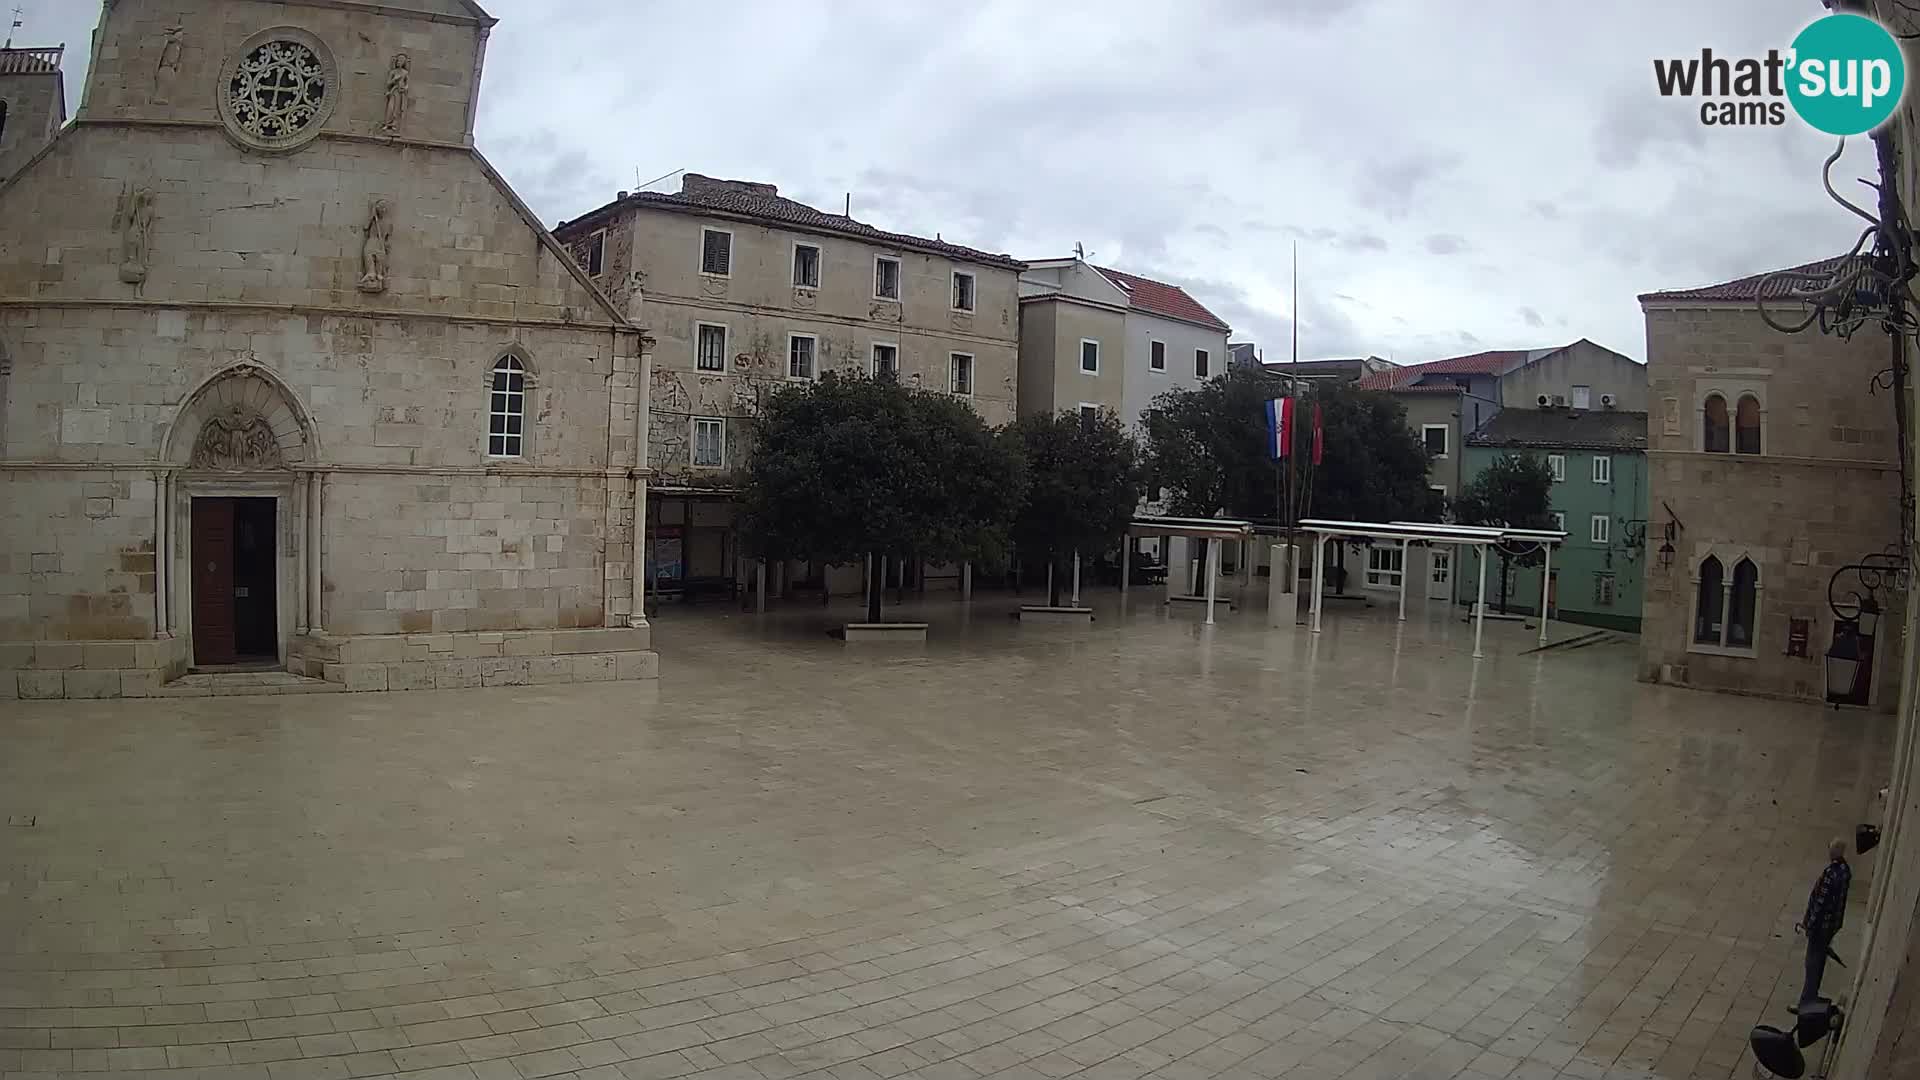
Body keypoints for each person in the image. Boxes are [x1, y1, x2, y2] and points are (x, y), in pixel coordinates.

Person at [1796, 838, 1852, 1007]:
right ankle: (1811, 995)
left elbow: (1819, 903)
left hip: (1820, 928)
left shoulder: (1830, 874)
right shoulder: (1845, 871)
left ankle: (1807, 999)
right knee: (1819, 961)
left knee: (1812, 962)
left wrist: (1808, 925)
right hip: (1831, 926)